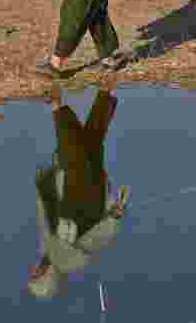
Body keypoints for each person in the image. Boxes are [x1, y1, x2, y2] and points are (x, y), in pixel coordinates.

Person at [27, 87, 130, 299]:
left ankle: (107, 87)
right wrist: (114, 216)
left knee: (91, 140)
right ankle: (56, 104)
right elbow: (95, 239)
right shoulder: (66, 260)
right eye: (35, 275)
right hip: (83, 190)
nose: (33, 270)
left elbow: (46, 211)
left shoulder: (49, 248)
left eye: (32, 274)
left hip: (83, 185)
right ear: (47, 277)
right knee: (72, 148)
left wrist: (42, 186)